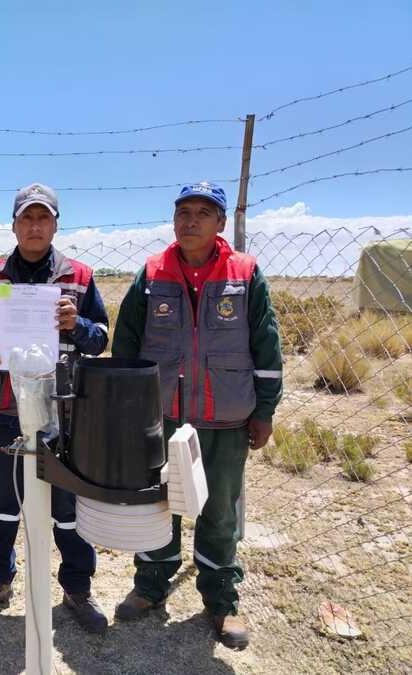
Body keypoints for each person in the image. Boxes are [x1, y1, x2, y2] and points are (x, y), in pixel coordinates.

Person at [111, 181, 282, 650]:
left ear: (221, 223)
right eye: (183, 211)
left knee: (218, 512)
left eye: (203, 213)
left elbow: (267, 347)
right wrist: (127, 408)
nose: (190, 220)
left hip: (224, 420)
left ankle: (221, 601)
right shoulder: (152, 273)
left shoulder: (245, 274)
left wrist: (264, 410)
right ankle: (150, 587)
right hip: (159, 418)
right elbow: (126, 343)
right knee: (157, 506)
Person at [0, 183, 110, 634]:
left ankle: (77, 587)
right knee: (5, 499)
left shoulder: (79, 277)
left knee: (67, 502)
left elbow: (100, 338)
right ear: (14, 225)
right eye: (27, 218)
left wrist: (77, 324)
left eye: (43, 218)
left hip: (65, 412)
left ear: (55, 224)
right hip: (5, 408)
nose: (34, 226)